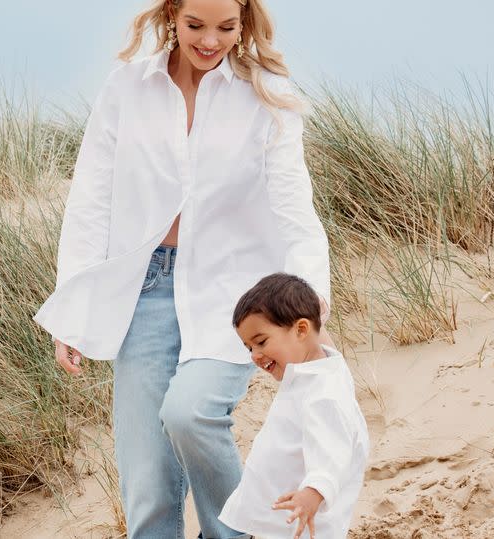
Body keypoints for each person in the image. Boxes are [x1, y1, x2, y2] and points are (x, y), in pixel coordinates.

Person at [32, 0, 334, 537]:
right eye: (196, 25)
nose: (211, 42)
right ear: (172, 14)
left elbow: (295, 211)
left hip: (235, 298)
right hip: (142, 290)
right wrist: (72, 310)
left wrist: (309, 305)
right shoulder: (126, 89)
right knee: (146, 479)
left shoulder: (266, 96)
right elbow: (90, 200)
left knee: (191, 412)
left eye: (226, 27)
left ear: (244, 23)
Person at [219, 273, 370, 539]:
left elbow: (332, 450)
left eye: (261, 342)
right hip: (278, 520)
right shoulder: (314, 371)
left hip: (301, 520)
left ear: (301, 330)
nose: (255, 355)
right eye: (248, 347)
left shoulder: (324, 393)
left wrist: (312, 493)